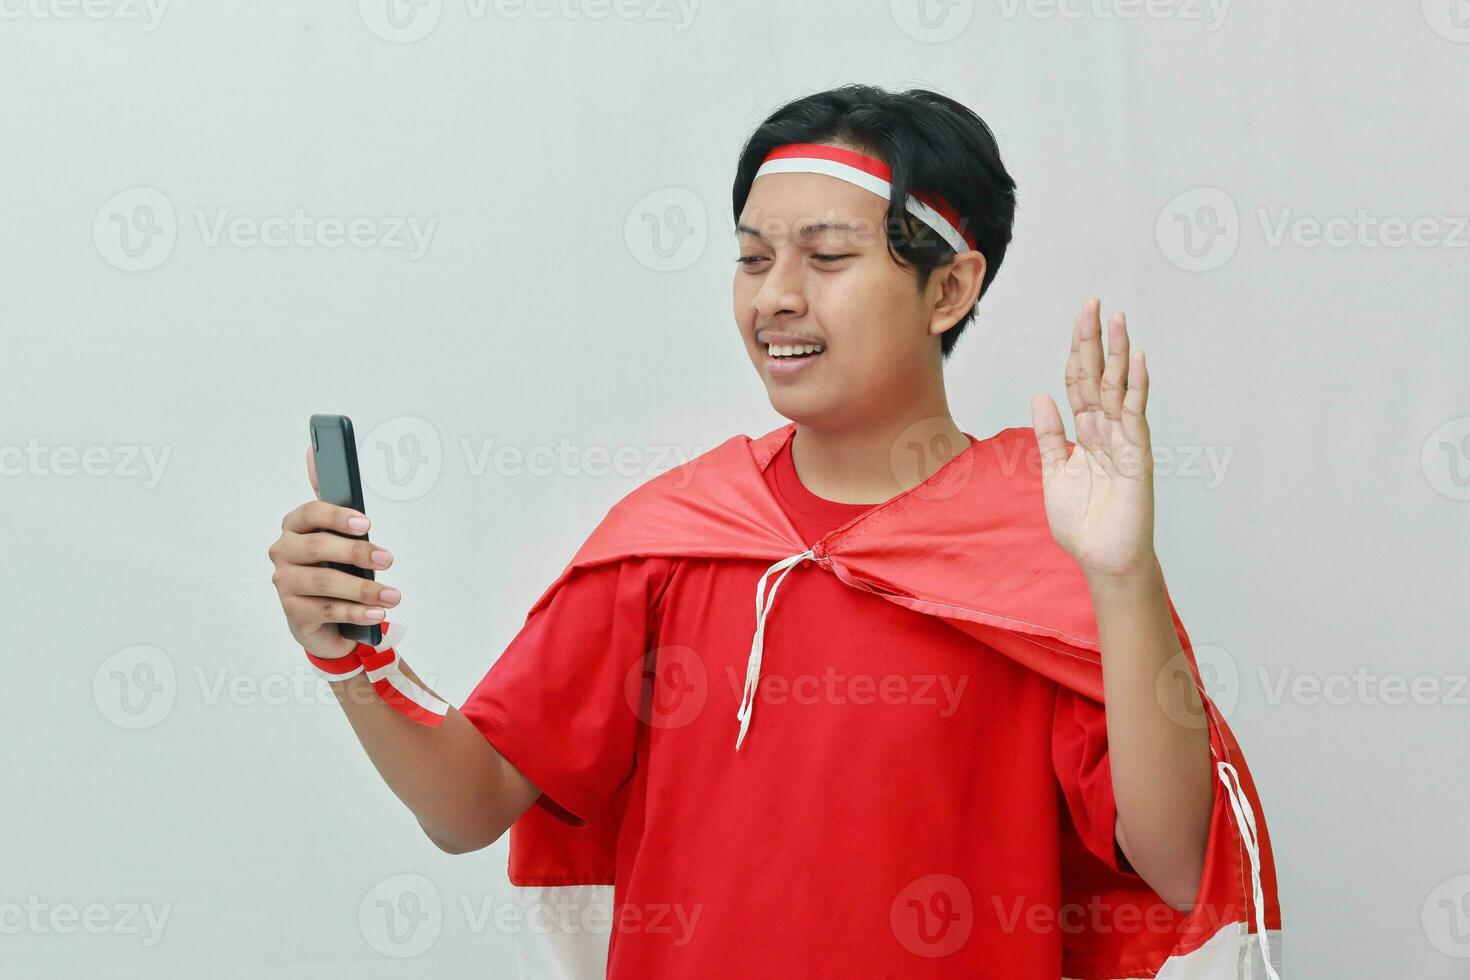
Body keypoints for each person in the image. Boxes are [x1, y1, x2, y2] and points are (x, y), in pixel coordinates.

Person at [268, 84, 1281, 978]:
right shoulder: (675, 538)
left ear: (950, 287)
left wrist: (1123, 576)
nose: (776, 296)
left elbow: (1177, 859)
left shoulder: (1046, 546)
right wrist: (352, 658)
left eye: (827, 256)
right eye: (752, 258)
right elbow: (467, 802)